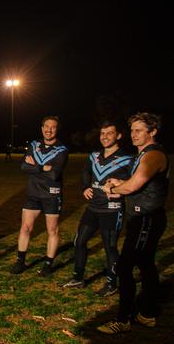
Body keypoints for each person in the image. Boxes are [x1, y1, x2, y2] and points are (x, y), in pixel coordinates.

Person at [98, 112, 169, 334]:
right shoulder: (143, 154)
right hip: (142, 219)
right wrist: (122, 182)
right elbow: (137, 182)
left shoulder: (153, 155)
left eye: (139, 130)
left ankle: (123, 319)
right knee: (146, 265)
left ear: (153, 131)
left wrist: (112, 188)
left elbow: (132, 187)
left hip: (146, 219)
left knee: (124, 267)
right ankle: (148, 313)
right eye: (132, 130)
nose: (133, 134)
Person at [62, 121, 132, 296]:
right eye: (102, 133)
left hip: (112, 209)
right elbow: (85, 172)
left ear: (119, 136)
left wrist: (120, 189)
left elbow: (134, 183)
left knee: (110, 246)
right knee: (79, 241)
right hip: (93, 208)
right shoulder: (94, 156)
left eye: (109, 133)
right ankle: (78, 278)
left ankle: (111, 283)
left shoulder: (127, 159)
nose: (105, 137)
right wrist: (85, 187)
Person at [9, 115, 69, 276]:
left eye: (53, 127)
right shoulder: (33, 145)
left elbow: (55, 174)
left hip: (52, 194)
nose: (49, 130)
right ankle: (20, 262)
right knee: (25, 227)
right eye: (46, 127)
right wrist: (44, 168)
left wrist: (35, 166)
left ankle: (48, 264)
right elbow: (23, 166)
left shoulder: (62, 149)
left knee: (52, 230)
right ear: (42, 128)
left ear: (57, 129)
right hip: (33, 193)